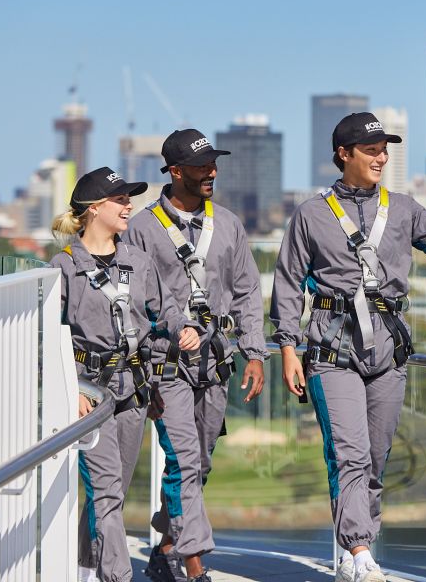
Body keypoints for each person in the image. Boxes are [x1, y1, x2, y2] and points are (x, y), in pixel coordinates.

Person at [270, 112, 426, 582]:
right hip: (332, 350)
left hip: (388, 351)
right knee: (349, 452)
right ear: (343, 154)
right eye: (370, 149)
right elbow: (287, 284)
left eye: (385, 149)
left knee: (376, 457)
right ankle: (361, 551)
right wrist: (286, 347)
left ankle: (352, 553)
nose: (381, 156)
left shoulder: (403, 208)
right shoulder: (310, 214)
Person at [122, 129, 268, 582]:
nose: (213, 172)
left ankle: (166, 546)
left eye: (214, 164)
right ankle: (194, 567)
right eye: (203, 166)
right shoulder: (141, 229)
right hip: (166, 367)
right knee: (184, 461)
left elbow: (247, 292)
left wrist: (255, 353)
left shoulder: (229, 224)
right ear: (175, 171)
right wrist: (141, 372)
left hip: (218, 363)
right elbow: (133, 301)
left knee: (198, 464)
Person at [50, 167, 201, 582]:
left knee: (111, 493)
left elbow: (166, 307)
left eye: (129, 198)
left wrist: (184, 328)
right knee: (106, 490)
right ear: (94, 208)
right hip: (89, 395)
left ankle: (84, 569)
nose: (128, 206)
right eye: (120, 200)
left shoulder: (138, 260)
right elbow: (46, 336)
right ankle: (118, 576)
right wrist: (69, 391)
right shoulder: (63, 268)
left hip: (133, 390)